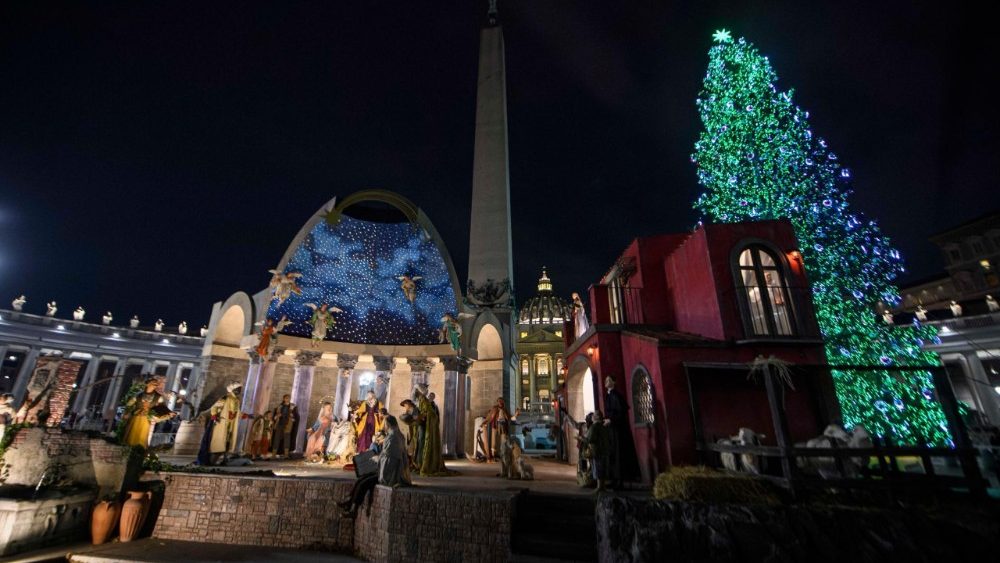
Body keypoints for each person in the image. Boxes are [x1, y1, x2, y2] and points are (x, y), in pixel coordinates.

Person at [337, 415, 411, 517]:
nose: (383, 426)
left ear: (387, 424)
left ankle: (353, 510)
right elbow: (387, 454)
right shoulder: (396, 435)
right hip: (386, 468)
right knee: (362, 478)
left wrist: (377, 459)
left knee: (365, 483)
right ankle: (349, 503)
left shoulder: (393, 437)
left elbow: (390, 458)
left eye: (384, 423)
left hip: (391, 473)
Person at [603, 376, 640, 488]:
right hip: (611, 428)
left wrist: (611, 419)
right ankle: (614, 478)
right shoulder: (609, 395)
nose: (606, 382)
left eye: (609, 380)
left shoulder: (615, 395)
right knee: (613, 452)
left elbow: (620, 411)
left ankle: (619, 480)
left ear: (614, 382)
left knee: (619, 452)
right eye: (606, 380)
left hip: (618, 429)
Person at [121, 377, 175, 447]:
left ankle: (141, 449)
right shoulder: (139, 395)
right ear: (148, 384)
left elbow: (162, 407)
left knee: (142, 436)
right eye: (153, 383)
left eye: (156, 384)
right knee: (132, 435)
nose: (155, 385)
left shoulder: (157, 397)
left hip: (146, 419)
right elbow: (129, 404)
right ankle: (127, 448)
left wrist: (169, 413)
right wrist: (126, 413)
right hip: (135, 418)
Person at [206, 382, 242, 463]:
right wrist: (214, 415)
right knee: (219, 442)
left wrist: (245, 415)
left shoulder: (237, 400)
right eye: (238, 389)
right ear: (233, 389)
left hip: (232, 423)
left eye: (240, 389)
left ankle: (225, 459)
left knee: (228, 440)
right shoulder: (225, 397)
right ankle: (212, 461)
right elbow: (215, 406)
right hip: (223, 421)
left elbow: (238, 412)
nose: (239, 391)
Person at [415, 386, 446, 476]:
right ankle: (419, 463)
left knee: (423, 444)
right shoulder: (423, 401)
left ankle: (422, 463)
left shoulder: (429, 403)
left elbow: (434, 415)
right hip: (423, 425)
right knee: (420, 444)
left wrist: (424, 416)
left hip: (427, 426)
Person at [585, 411, 610, 492]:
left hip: (596, 450)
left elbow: (590, 439)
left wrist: (582, 439)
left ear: (595, 417)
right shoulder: (604, 427)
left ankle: (599, 487)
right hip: (604, 450)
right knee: (602, 468)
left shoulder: (594, 427)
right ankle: (603, 486)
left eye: (593, 415)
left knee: (597, 468)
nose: (592, 417)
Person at [398, 398, 423, 469]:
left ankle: (415, 463)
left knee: (413, 447)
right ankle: (411, 463)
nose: (405, 407)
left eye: (405, 405)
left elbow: (417, 420)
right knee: (409, 447)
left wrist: (411, 421)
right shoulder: (408, 411)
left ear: (408, 404)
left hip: (415, 430)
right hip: (409, 430)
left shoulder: (414, 410)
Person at [486, 397, 512, 462]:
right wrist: (485, 423)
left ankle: (503, 454)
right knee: (494, 440)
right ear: (497, 402)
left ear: (503, 402)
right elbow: (490, 416)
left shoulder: (505, 409)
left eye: (501, 401)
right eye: (499, 401)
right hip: (495, 425)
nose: (500, 402)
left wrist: (516, 414)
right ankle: (493, 455)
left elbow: (509, 417)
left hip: (503, 425)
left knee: (503, 440)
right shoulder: (495, 408)